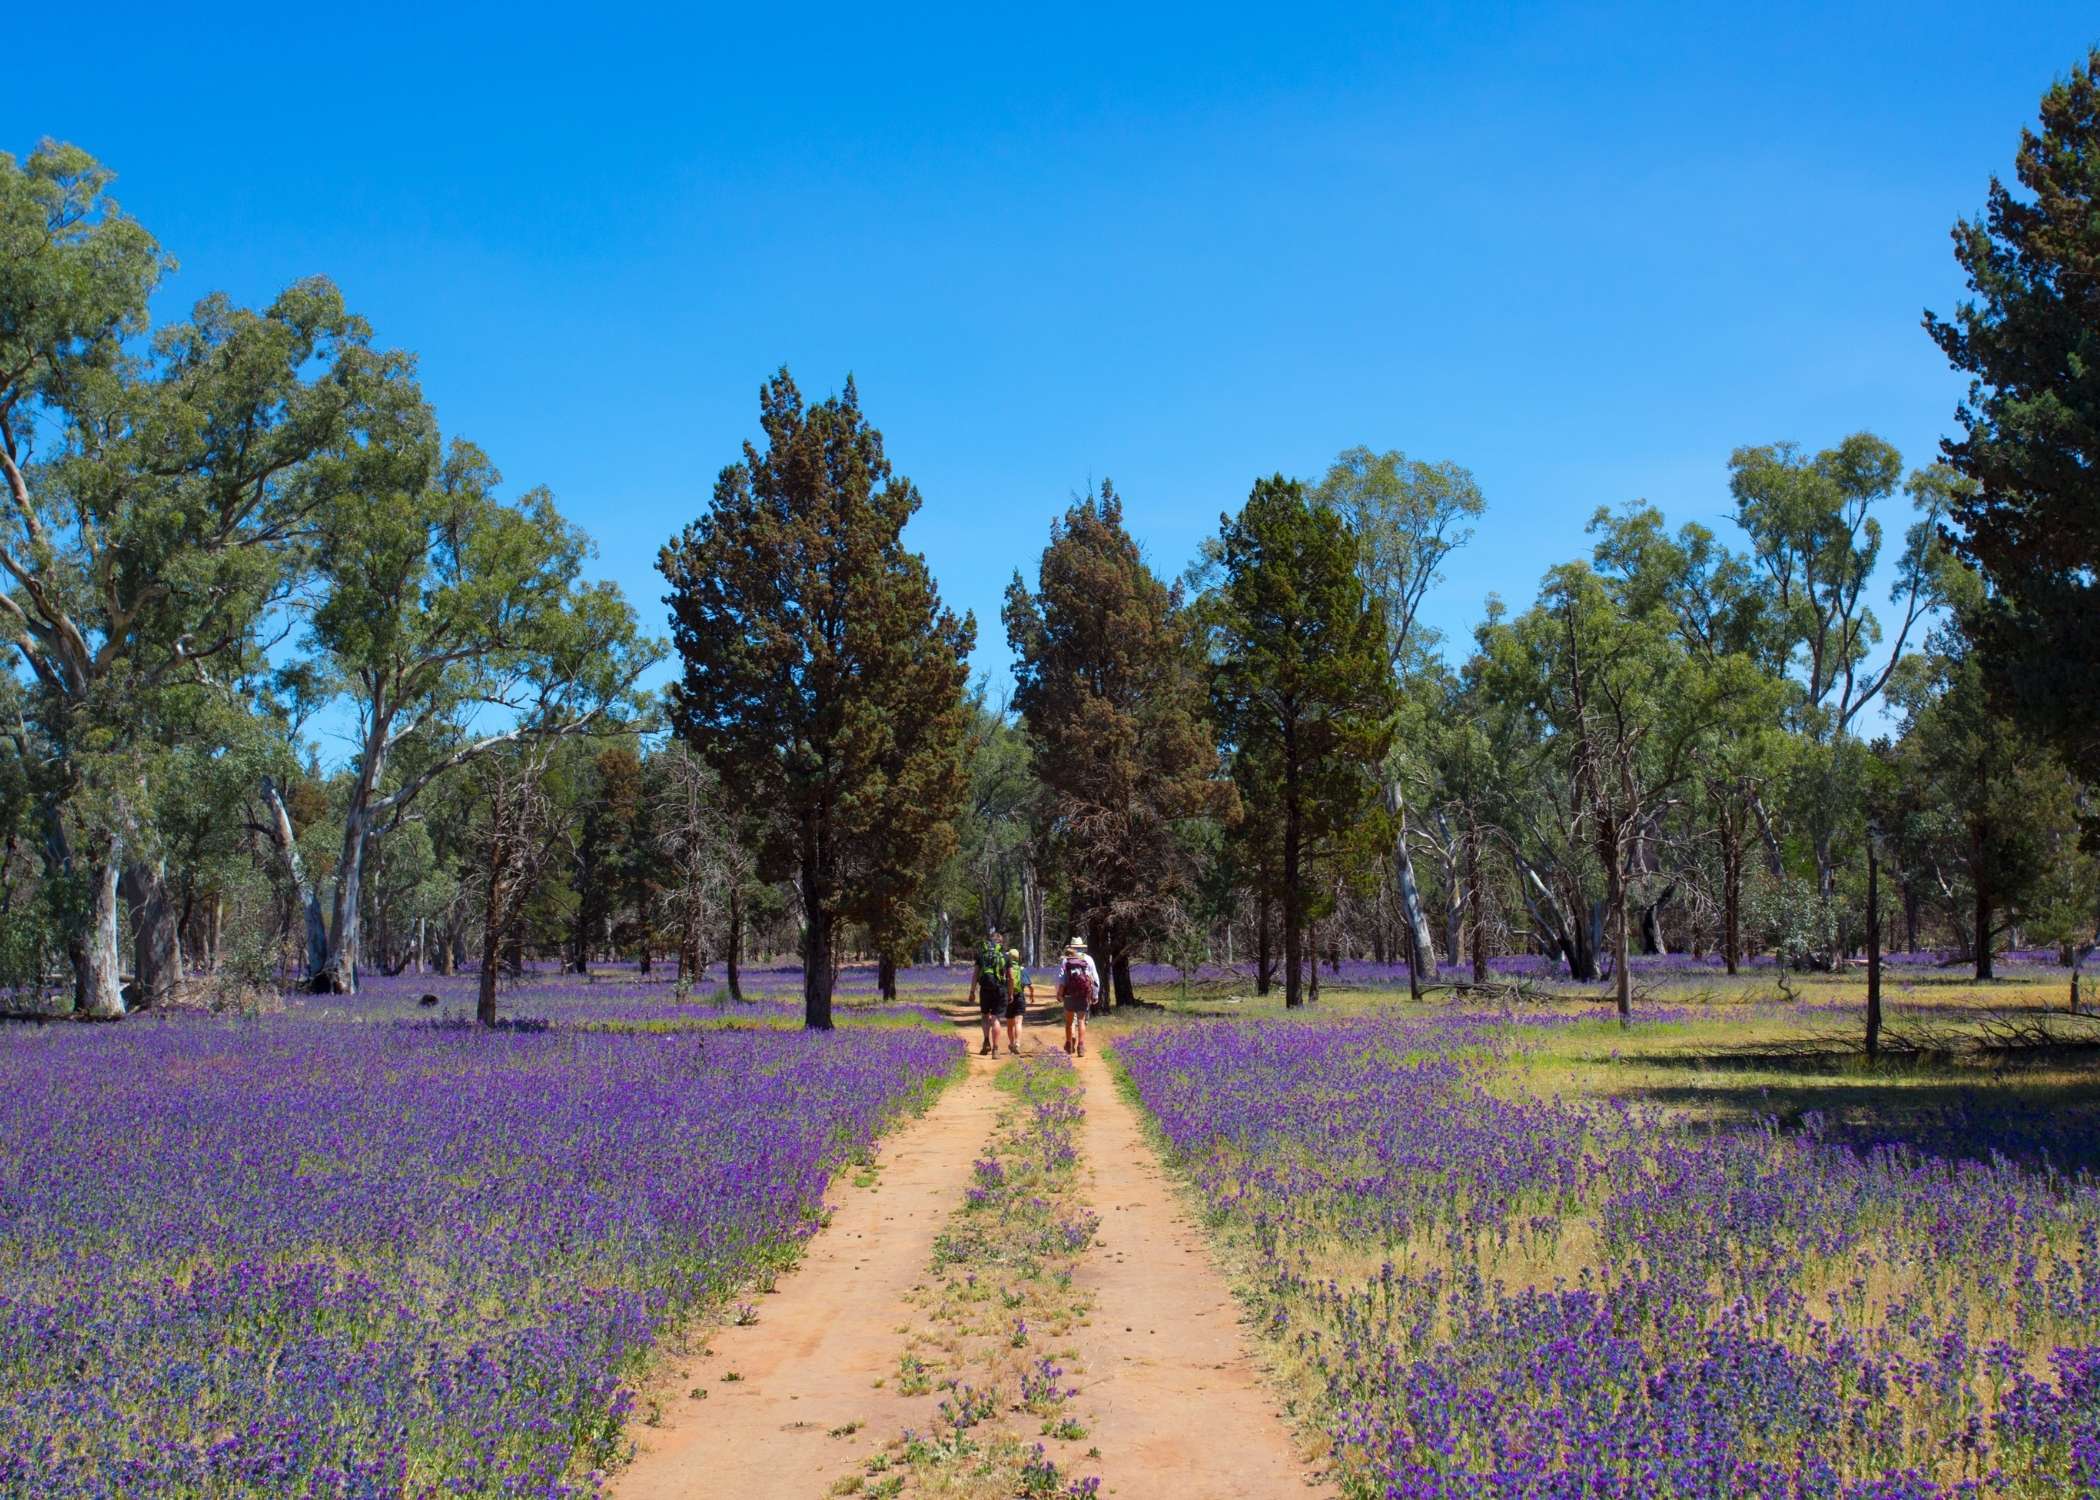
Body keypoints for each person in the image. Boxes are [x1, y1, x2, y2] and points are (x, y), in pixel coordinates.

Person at [1056, 936, 1101, 1057]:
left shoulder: (1066, 960)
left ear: (1071, 947)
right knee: (1081, 1020)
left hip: (1069, 995)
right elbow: (1095, 978)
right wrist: (1095, 994)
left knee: (1069, 1022)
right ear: (1082, 947)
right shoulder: (1088, 959)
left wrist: (1059, 994)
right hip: (1083, 995)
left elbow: (1061, 979)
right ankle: (1081, 1046)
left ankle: (1069, 1044)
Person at [968, 927, 1007, 1056]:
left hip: (984, 989)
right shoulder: (1004, 956)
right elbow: (1011, 977)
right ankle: (995, 1049)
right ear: (1000, 943)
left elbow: (975, 974)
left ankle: (986, 1041)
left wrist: (972, 991)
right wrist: (1011, 992)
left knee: (985, 1016)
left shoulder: (981, 955)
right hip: (999, 989)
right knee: (995, 1019)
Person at [1000, 947, 1032, 1055]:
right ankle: (1017, 1044)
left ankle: (1011, 1043)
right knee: (1018, 1022)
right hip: (1019, 996)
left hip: (1008, 997)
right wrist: (1032, 995)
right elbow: (1029, 985)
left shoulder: (1004, 969)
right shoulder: (1022, 969)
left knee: (1010, 1025)